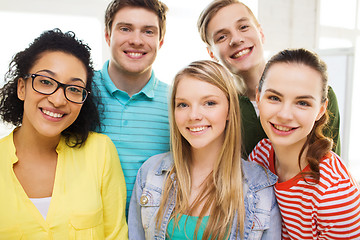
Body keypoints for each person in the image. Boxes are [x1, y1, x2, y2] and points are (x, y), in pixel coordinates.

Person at [128, 60, 281, 239]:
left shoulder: (259, 185)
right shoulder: (151, 174)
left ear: (230, 109)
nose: (194, 116)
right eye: (183, 105)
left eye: (209, 103)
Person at [0, 29, 128, 239]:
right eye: (46, 82)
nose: (58, 100)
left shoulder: (100, 152)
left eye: (74, 89)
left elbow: (116, 234)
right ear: (21, 88)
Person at [197, 0, 341, 158]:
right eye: (222, 37)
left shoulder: (317, 95)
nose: (236, 40)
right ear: (211, 53)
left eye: (243, 27)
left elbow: (333, 170)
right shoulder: (217, 107)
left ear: (261, 33)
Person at [249, 48, 360, 239]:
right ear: (259, 98)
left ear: (320, 110)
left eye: (302, 103)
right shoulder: (260, 154)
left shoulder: (333, 193)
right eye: (274, 98)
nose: (284, 115)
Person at [93, 0, 170, 211]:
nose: (136, 40)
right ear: (108, 35)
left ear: (160, 41)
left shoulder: (178, 103)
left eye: (148, 31)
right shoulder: (78, 92)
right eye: (125, 29)